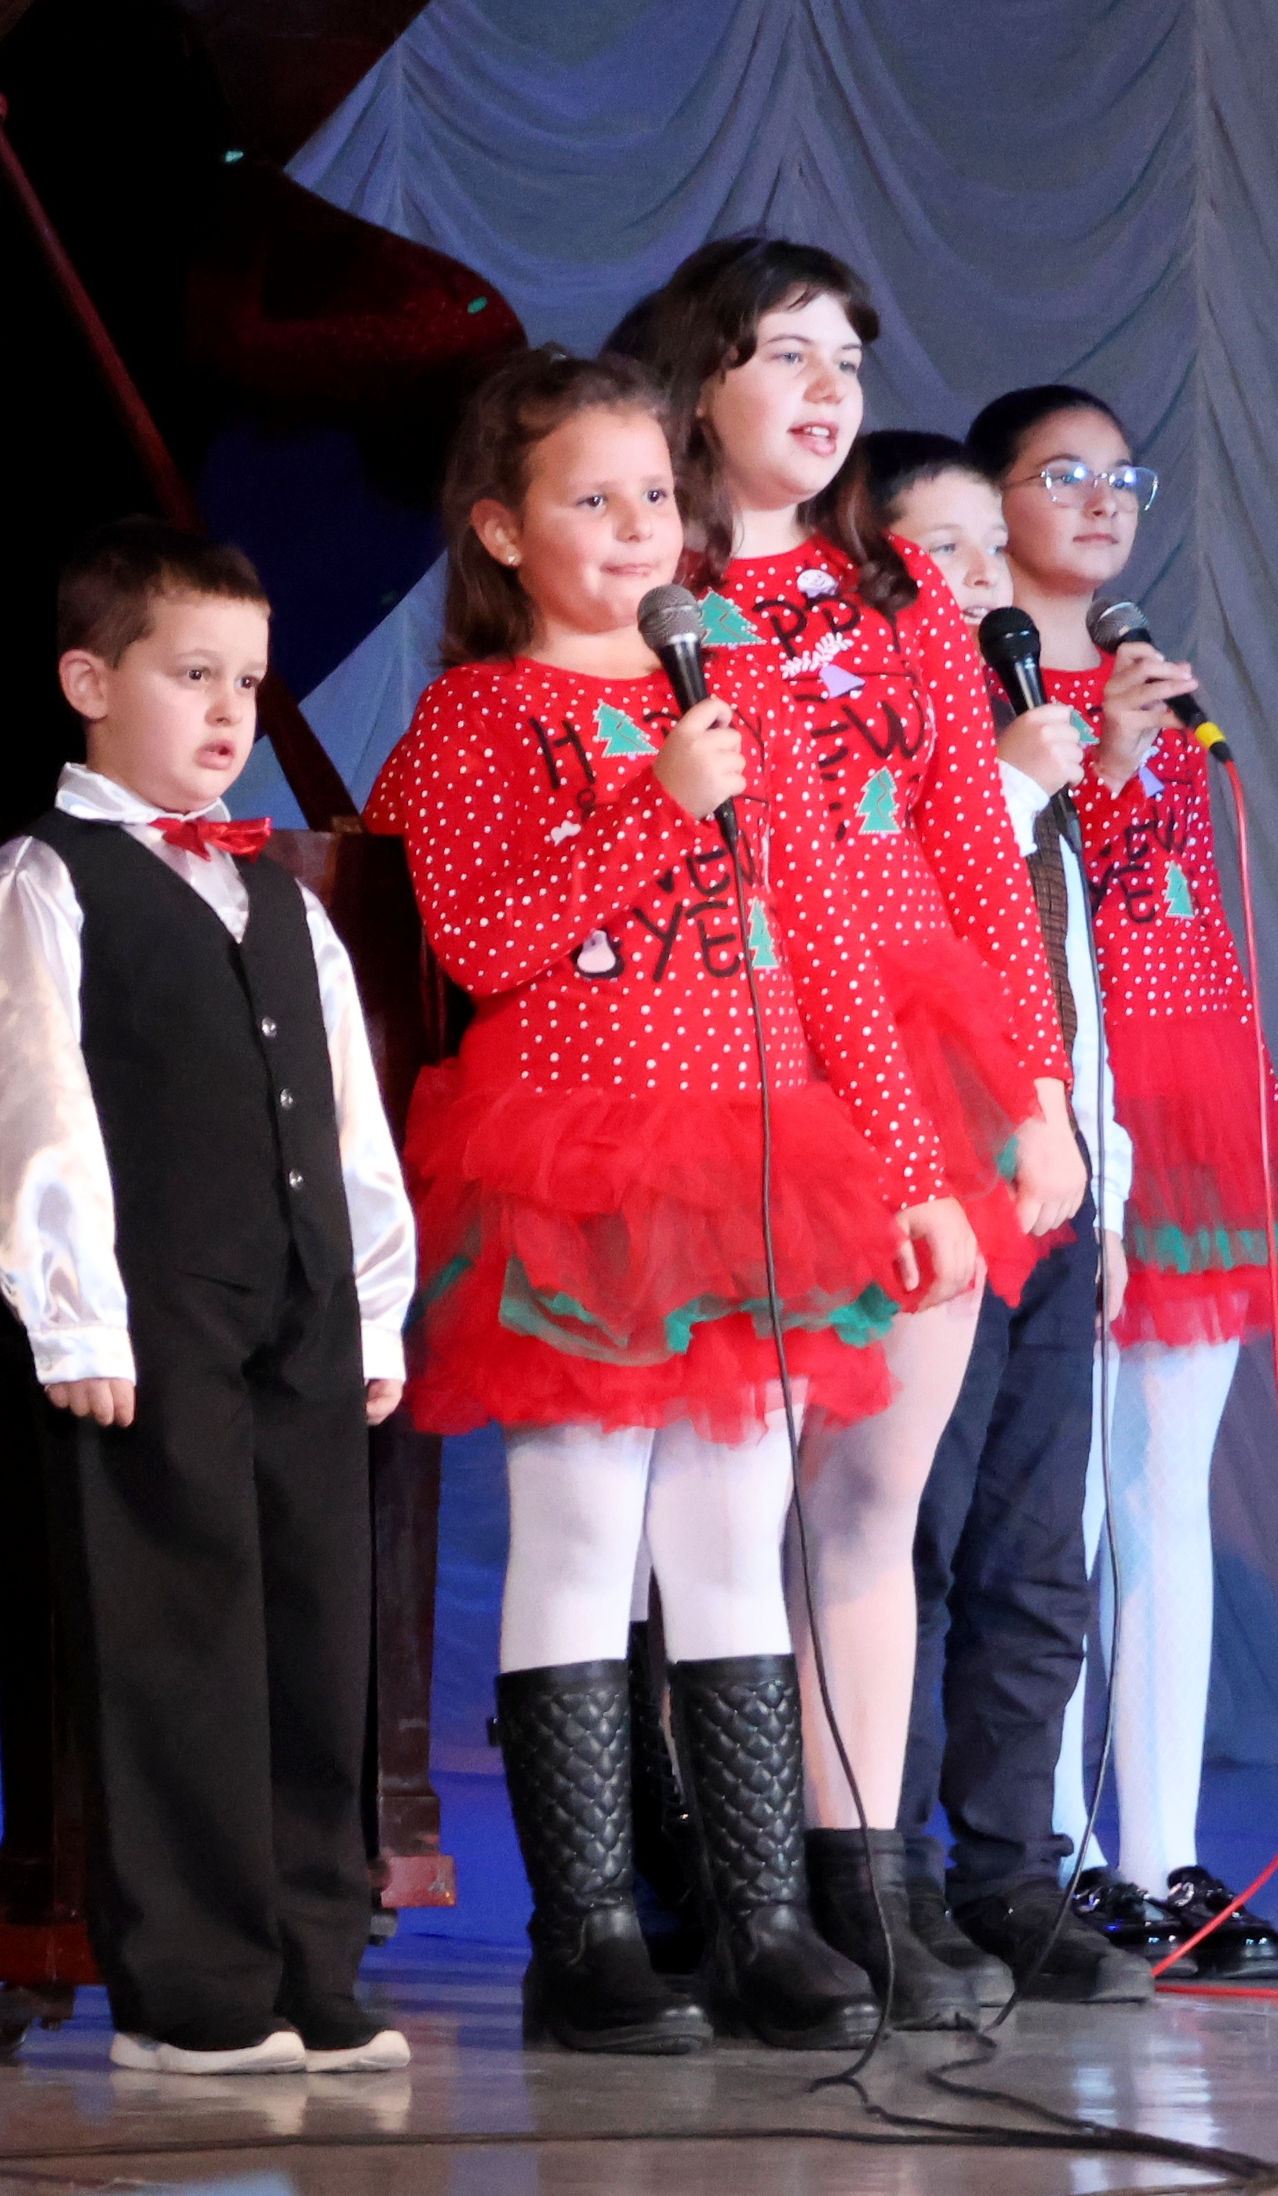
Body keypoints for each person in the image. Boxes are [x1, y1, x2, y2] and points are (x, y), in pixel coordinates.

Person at [368, 346, 944, 2055]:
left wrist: (911, 1172)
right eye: (590, 499)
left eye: (654, 497)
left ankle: (762, 1923)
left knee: (730, 1531)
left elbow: (830, 949)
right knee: (580, 1532)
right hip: (577, 1170)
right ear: (502, 530)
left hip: (756, 1156)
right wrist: (653, 806)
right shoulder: (474, 719)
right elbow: (479, 943)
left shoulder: (739, 696)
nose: (636, 527)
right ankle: (589, 1938)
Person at [605, 242, 1060, 2029]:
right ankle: (734, 1896)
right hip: (747, 1053)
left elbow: (977, 853)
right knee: (729, 1506)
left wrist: (1036, 1093)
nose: (827, 390)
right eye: (784, 354)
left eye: (847, 360)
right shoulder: (654, 593)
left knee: (875, 1499)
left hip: (928, 1057)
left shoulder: (901, 594)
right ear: (695, 382)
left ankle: (864, 1880)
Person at [0, 519, 418, 2078]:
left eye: (249, 683)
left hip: (300, 1310)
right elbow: (25, 1108)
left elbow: (349, 1119)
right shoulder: (42, 879)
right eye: (192, 675)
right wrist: (75, 1315)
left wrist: (372, 1305)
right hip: (151, 1318)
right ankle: (192, 1994)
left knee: (313, 1633)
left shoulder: (278, 892)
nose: (229, 712)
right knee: (180, 1637)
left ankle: (311, 1965)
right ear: (90, 683)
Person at [969, 383, 1278, 1983]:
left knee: (1166, 1495)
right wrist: (1096, 758)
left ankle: (1164, 1858)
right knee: (1059, 1508)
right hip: (1066, 1106)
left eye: (1123, 477)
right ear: (994, 502)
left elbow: (1182, 906)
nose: (1105, 501)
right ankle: (1047, 1860)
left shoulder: (1149, 686)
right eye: (1064, 474)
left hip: (1195, 1109)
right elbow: (1022, 905)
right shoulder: (980, 689)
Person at [862, 430, 1157, 2003]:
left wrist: (1104, 1186)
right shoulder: (893, 766)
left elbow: (1070, 1007)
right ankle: (888, 1877)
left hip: (1054, 1200)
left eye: (994, 551)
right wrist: (1012, 781)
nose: (988, 585)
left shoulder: (1025, 768)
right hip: (933, 1200)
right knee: (910, 1543)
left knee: (1039, 1556)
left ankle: (1014, 1875)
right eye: (948, 555)